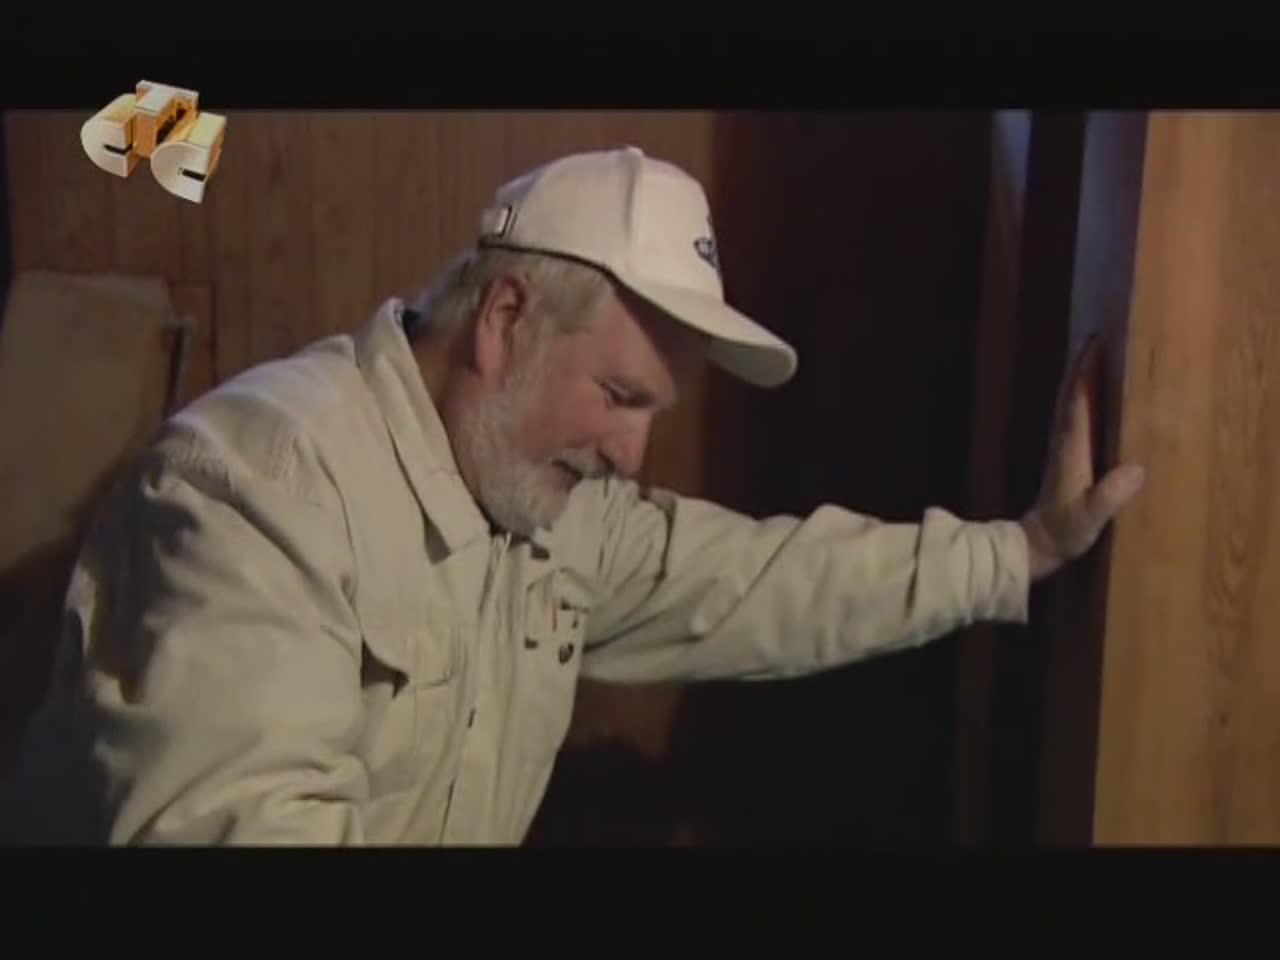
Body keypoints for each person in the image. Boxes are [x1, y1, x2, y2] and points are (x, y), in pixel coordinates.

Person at [6, 145, 1145, 845]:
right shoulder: (257, 488)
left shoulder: (538, 505)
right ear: (504, 321)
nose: (634, 454)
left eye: (653, 409)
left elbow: (765, 579)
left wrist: (1023, 551)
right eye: (618, 394)